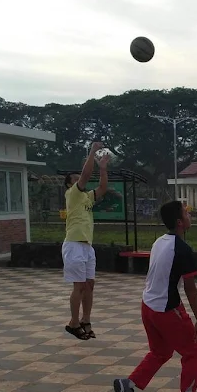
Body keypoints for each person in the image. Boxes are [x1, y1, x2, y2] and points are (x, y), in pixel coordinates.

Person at [113, 201, 197, 392]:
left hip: (148, 306)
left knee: (161, 352)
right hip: (166, 309)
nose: (189, 215)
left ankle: (127, 385)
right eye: (186, 213)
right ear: (179, 222)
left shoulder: (159, 242)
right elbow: (190, 289)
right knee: (194, 350)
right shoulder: (182, 249)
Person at [62, 142, 110, 340]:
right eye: (75, 179)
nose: (80, 180)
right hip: (74, 244)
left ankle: (86, 320)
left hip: (87, 246)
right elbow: (85, 175)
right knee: (79, 286)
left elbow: (103, 187)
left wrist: (103, 168)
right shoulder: (72, 194)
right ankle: (73, 323)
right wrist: (92, 152)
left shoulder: (87, 198)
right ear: (70, 184)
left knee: (89, 284)